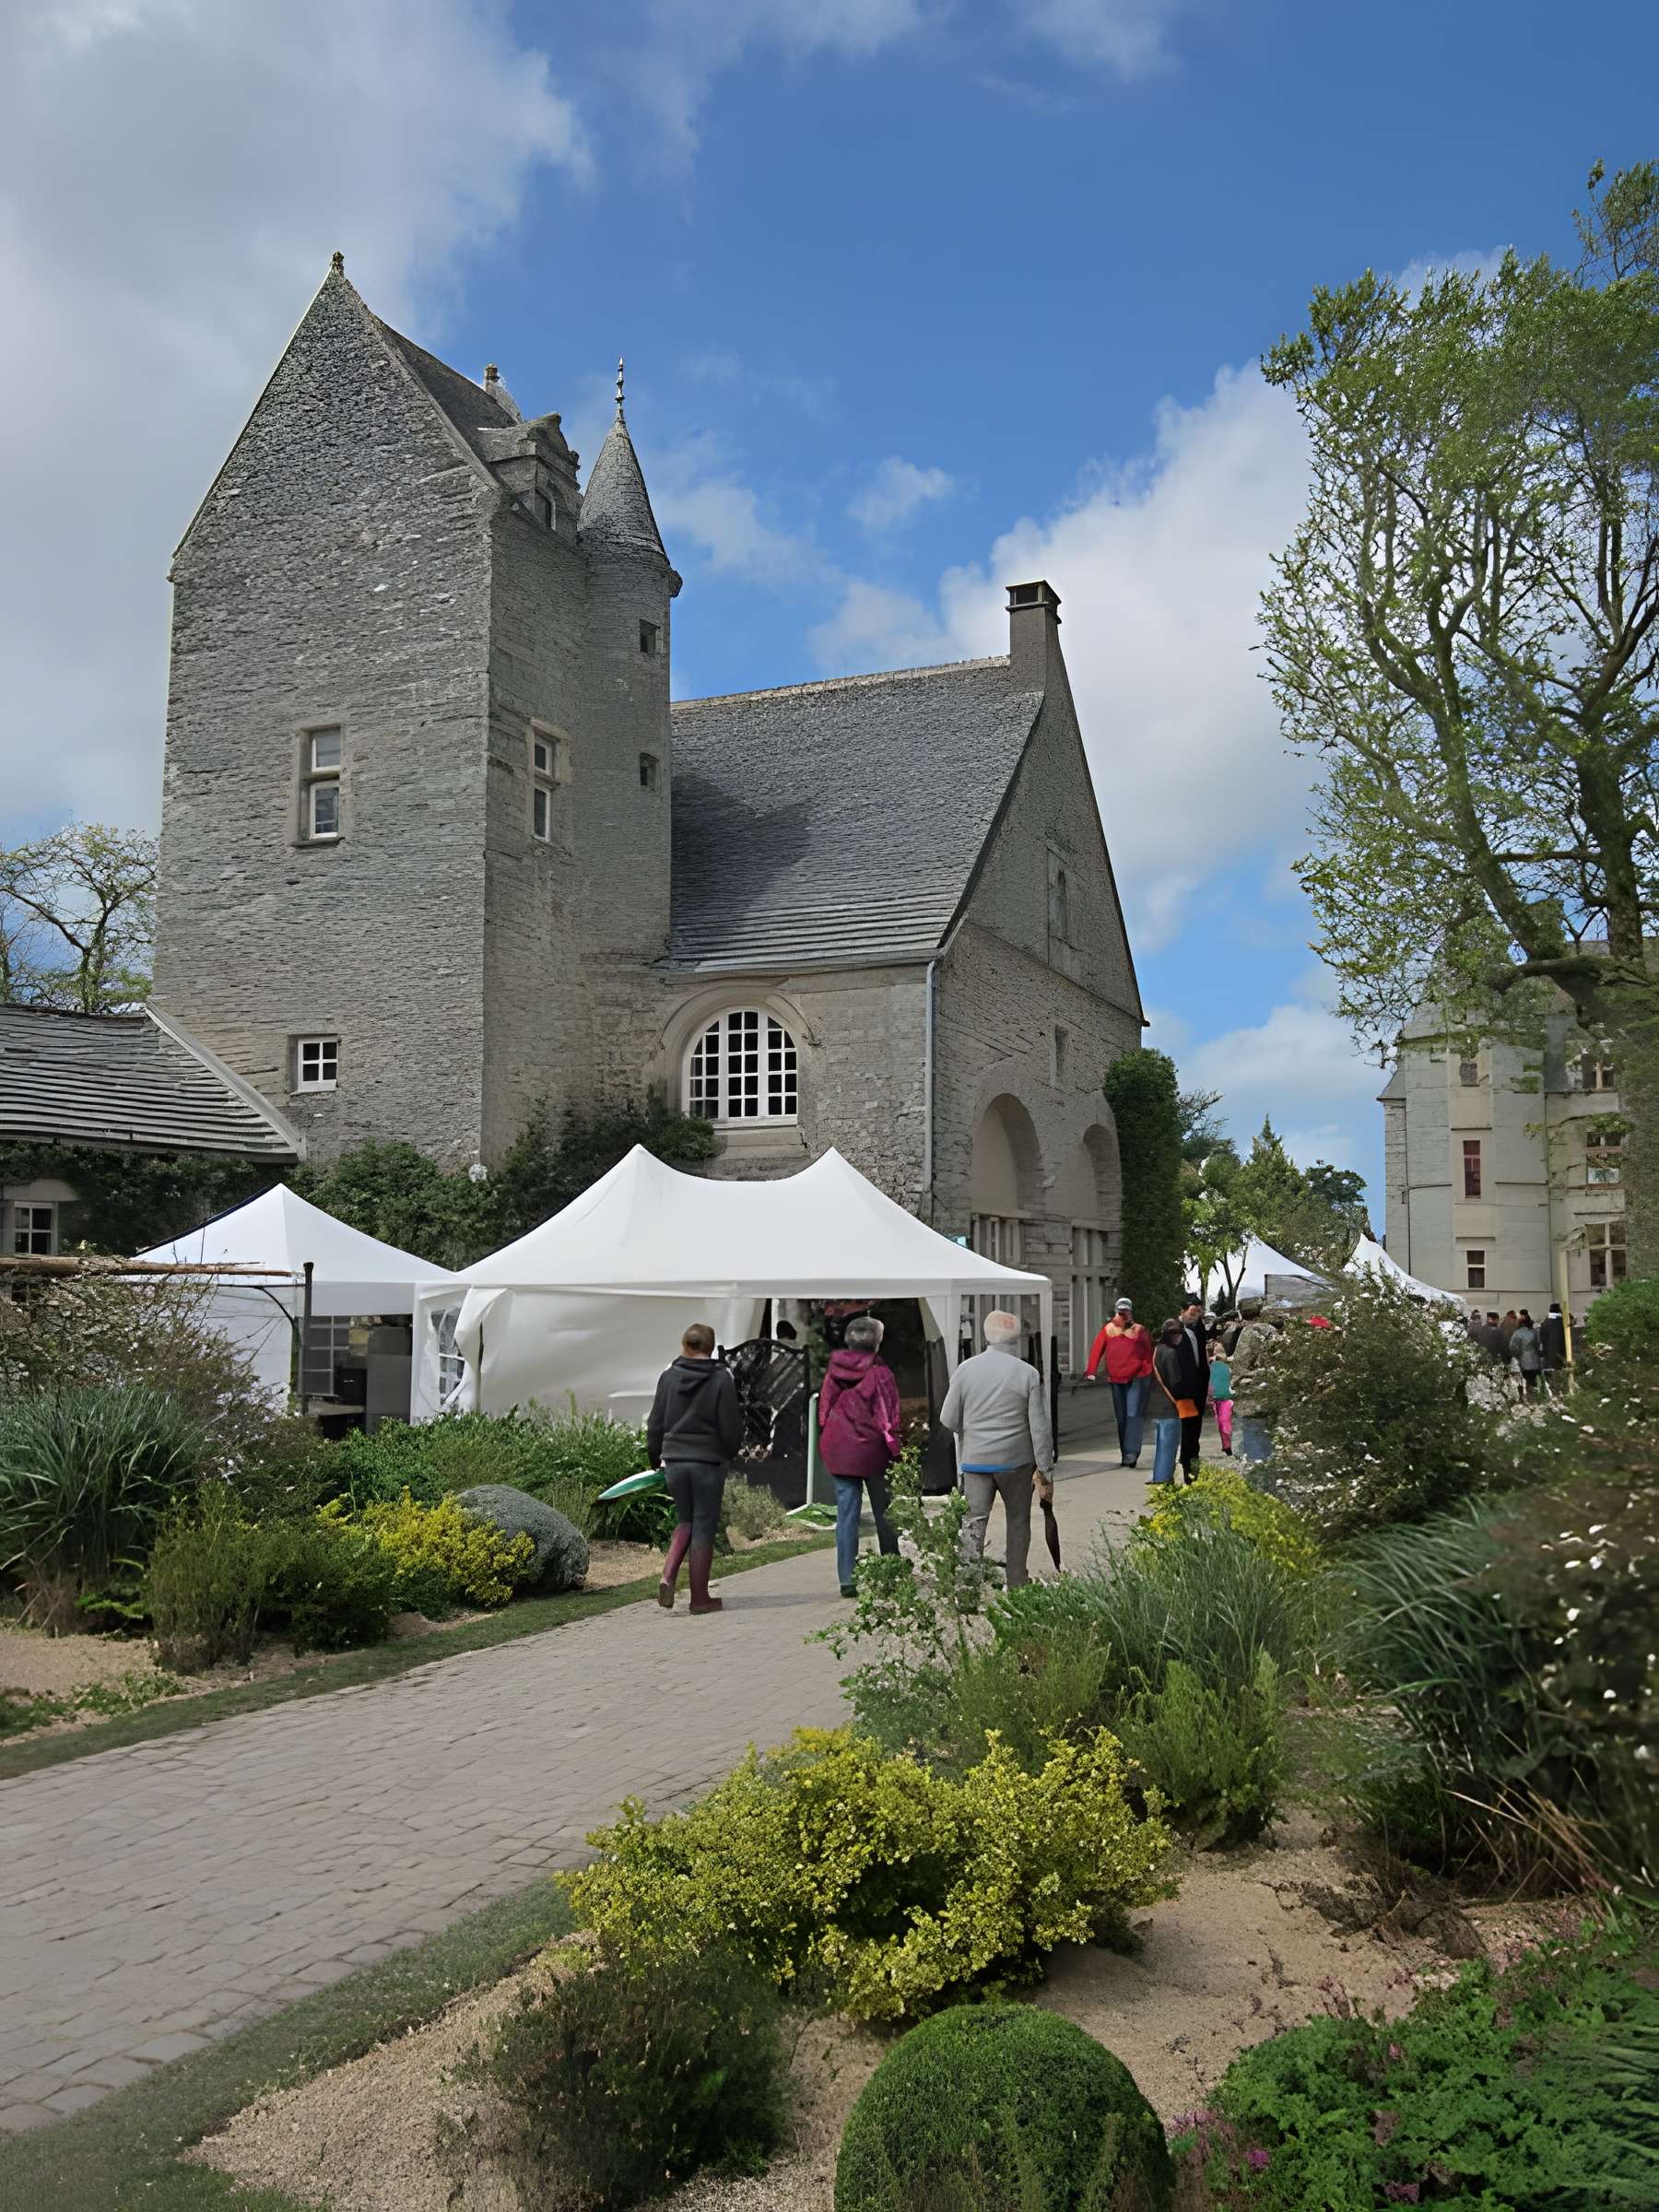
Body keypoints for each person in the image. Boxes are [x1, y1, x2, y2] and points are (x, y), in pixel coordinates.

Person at [941, 1310, 1055, 1587]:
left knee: (973, 1522)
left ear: (985, 1335)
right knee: (1018, 1521)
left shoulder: (965, 1369)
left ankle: (967, 1585)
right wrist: (1044, 1470)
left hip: (975, 1462)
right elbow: (1039, 1428)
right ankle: (1017, 1583)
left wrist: (973, 1436)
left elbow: (947, 1417)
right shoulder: (1027, 1373)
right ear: (1016, 1338)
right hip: (1016, 1462)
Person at [646, 1322, 744, 1616]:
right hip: (708, 1462)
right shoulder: (722, 1378)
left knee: (685, 1520)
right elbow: (730, 1425)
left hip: (674, 1460)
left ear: (684, 1345)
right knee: (703, 1527)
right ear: (710, 1348)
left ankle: (668, 1575)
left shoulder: (668, 1377)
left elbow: (655, 1424)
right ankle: (700, 1598)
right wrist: (728, 1455)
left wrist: (655, 1460)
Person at [818, 1314, 903, 1597]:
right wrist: (896, 1449)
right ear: (877, 1343)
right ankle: (891, 1571)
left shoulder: (834, 1371)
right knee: (885, 1511)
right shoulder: (881, 1374)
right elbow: (889, 1417)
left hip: (839, 1449)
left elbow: (823, 1412)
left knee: (847, 1515)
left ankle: (847, 1579)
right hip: (872, 1452)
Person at [1083, 1297, 1154, 1466]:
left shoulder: (1139, 1330)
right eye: (1120, 1312)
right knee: (1122, 1418)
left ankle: (1132, 1453)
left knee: (1133, 1415)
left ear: (1130, 1311)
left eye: (1126, 1311)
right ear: (1116, 1312)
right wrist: (1091, 1370)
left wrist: (1148, 1372)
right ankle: (1125, 1453)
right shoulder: (1108, 1330)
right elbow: (1097, 1348)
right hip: (1116, 1380)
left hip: (1136, 1378)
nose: (1123, 1315)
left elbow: (1147, 1353)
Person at [1229, 1296, 1279, 1465]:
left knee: (1255, 1453)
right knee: (1269, 1449)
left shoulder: (1250, 1332)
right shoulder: (1272, 1331)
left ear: (1242, 1314)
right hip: (1271, 1395)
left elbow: (1240, 1367)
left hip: (1252, 1401)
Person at [1147, 1320, 1190, 1488]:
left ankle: (1159, 1478)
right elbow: (1175, 1382)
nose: (1179, 1337)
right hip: (1169, 1408)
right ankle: (1163, 1481)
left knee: (1161, 1446)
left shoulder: (1157, 1350)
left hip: (1156, 1405)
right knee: (1168, 1447)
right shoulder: (1171, 1354)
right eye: (1178, 1334)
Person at [1174, 1296, 1211, 1476]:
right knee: (1187, 1424)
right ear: (1182, 1311)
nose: (1194, 1317)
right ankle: (1187, 1461)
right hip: (1183, 1388)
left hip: (1199, 1386)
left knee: (1195, 1425)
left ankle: (1192, 1457)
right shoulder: (1174, 1330)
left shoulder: (1198, 1328)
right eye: (1191, 1313)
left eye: (1198, 1313)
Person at [1209, 1337, 1234, 1455]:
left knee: (1222, 1423)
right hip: (1224, 1398)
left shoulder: (1212, 1367)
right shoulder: (1227, 1368)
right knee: (1224, 1423)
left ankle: (1227, 1446)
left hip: (1217, 1399)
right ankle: (1226, 1445)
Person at [1511, 1310, 1543, 1397]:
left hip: (1524, 1362)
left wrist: (1518, 1356)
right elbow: (1538, 1344)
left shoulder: (1517, 1333)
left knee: (1526, 1382)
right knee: (1534, 1382)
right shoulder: (1535, 1332)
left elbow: (1512, 1347)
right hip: (1536, 1361)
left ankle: (1530, 1399)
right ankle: (1536, 1398)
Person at [1539, 1302, 1567, 1391]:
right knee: (1562, 1376)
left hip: (1549, 1356)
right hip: (1562, 1355)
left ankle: (1553, 1392)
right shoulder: (1564, 1323)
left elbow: (1542, 1339)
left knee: (1550, 1379)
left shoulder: (1545, 1323)